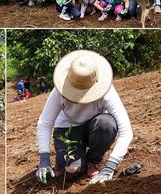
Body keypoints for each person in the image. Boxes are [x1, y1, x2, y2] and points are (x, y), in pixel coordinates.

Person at [36, 50, 133, 185]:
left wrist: (111, 166)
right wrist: (44, 158)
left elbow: (126, 130)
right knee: (72, 169)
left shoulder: (107, 91)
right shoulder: (59, 91)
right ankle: (66, 162)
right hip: (68, 128)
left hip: (95, 127)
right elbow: (44, 123)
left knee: (107, 124)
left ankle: (93, 160)